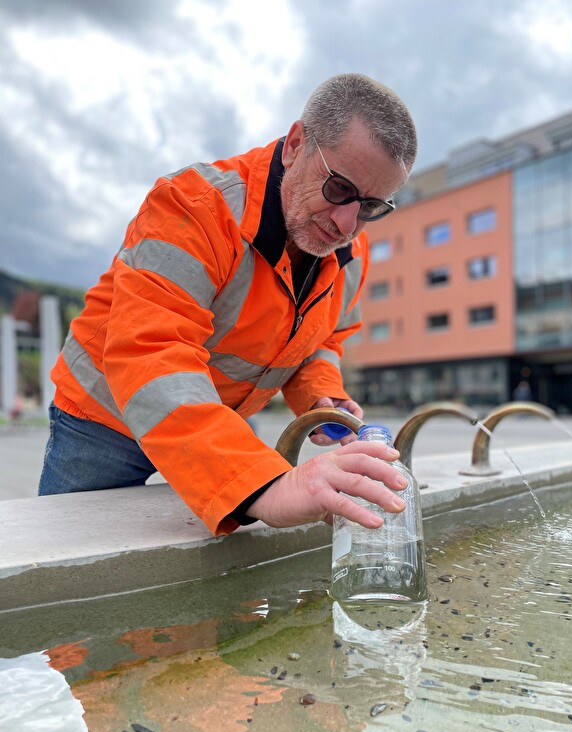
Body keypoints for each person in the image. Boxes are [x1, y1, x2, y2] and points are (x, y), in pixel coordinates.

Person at [39, 73, 418, 536]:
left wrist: (321, 395)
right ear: (296, 143)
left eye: (372, 207)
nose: (347, 222)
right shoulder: (194, 205)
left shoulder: (352, 256)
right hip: (104, 418)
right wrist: (262, 486)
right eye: (338, 189)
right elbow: (153, 351)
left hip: (215, 421)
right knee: (70, 571)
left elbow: (321, 342)